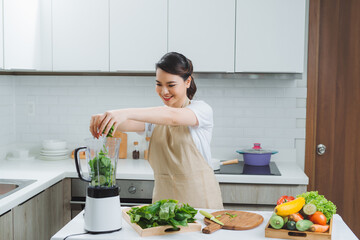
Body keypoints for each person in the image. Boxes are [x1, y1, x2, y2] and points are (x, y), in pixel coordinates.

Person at [89, 52, 223, 209]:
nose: (164, 91)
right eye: (159, 84)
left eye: (171, 85)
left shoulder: (201, 110)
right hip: (164, 206)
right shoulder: (156, 118)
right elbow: (127, 123)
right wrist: (104, 118)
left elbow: (173, 117)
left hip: (201, 204)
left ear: (187, 82)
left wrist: (124, 112)